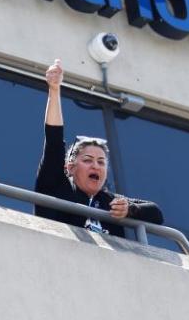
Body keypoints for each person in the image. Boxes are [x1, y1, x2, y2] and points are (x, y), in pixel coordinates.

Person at [35, 59, 163, 237]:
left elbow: (156, 213)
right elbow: (54, 141)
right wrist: (54, 90)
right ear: (69, 167)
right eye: (87, 160)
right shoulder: (56, 186)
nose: (96, 166)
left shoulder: (110, 201)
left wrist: (130, 210)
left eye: (101, 162)